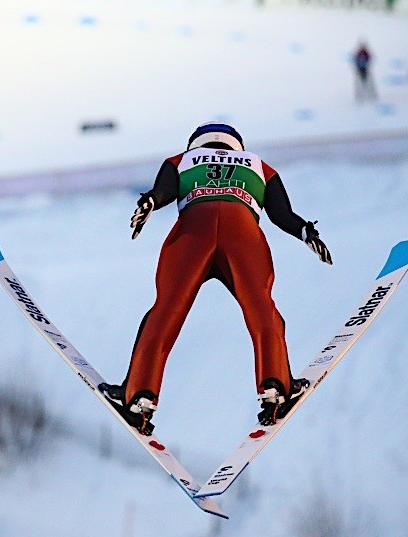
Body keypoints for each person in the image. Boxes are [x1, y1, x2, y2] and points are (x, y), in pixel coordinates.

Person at [98, 122, 332, 435]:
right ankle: (275, 386)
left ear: (195, 143)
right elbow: (281, 214)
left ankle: (139, 395)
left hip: (193, 231)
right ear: (238, 146)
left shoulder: (181, 160)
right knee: (262, 308)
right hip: (243, 235)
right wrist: (307, 233)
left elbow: (162, 192)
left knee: (165, 310)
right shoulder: (259, 166)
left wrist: (149, 203)